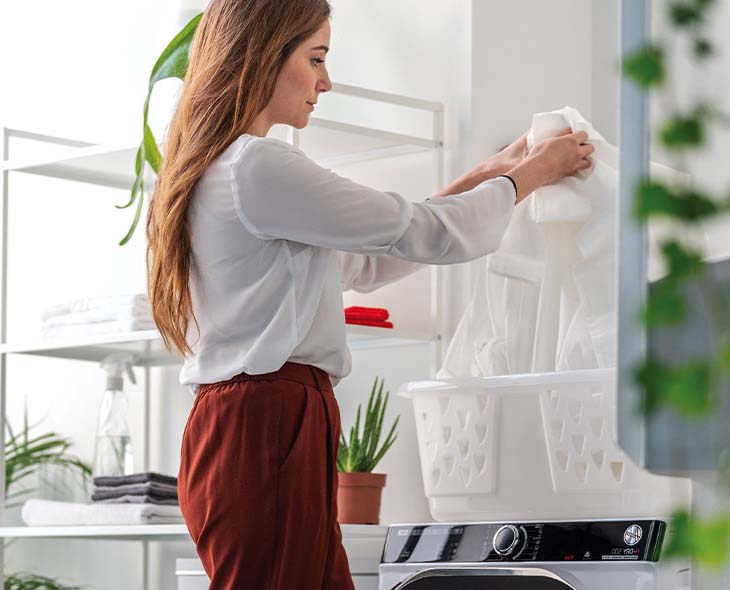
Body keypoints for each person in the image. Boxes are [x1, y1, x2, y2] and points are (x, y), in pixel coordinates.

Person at [145, 1, 595, 588]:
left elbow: (377, 253)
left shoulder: (224, 171)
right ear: (262, 56)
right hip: (270, 422)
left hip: (254, 425)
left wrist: (496, 172)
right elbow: (418, 232)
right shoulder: (257, 167)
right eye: (316, 59)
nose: (325, 82)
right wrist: (532, 176)